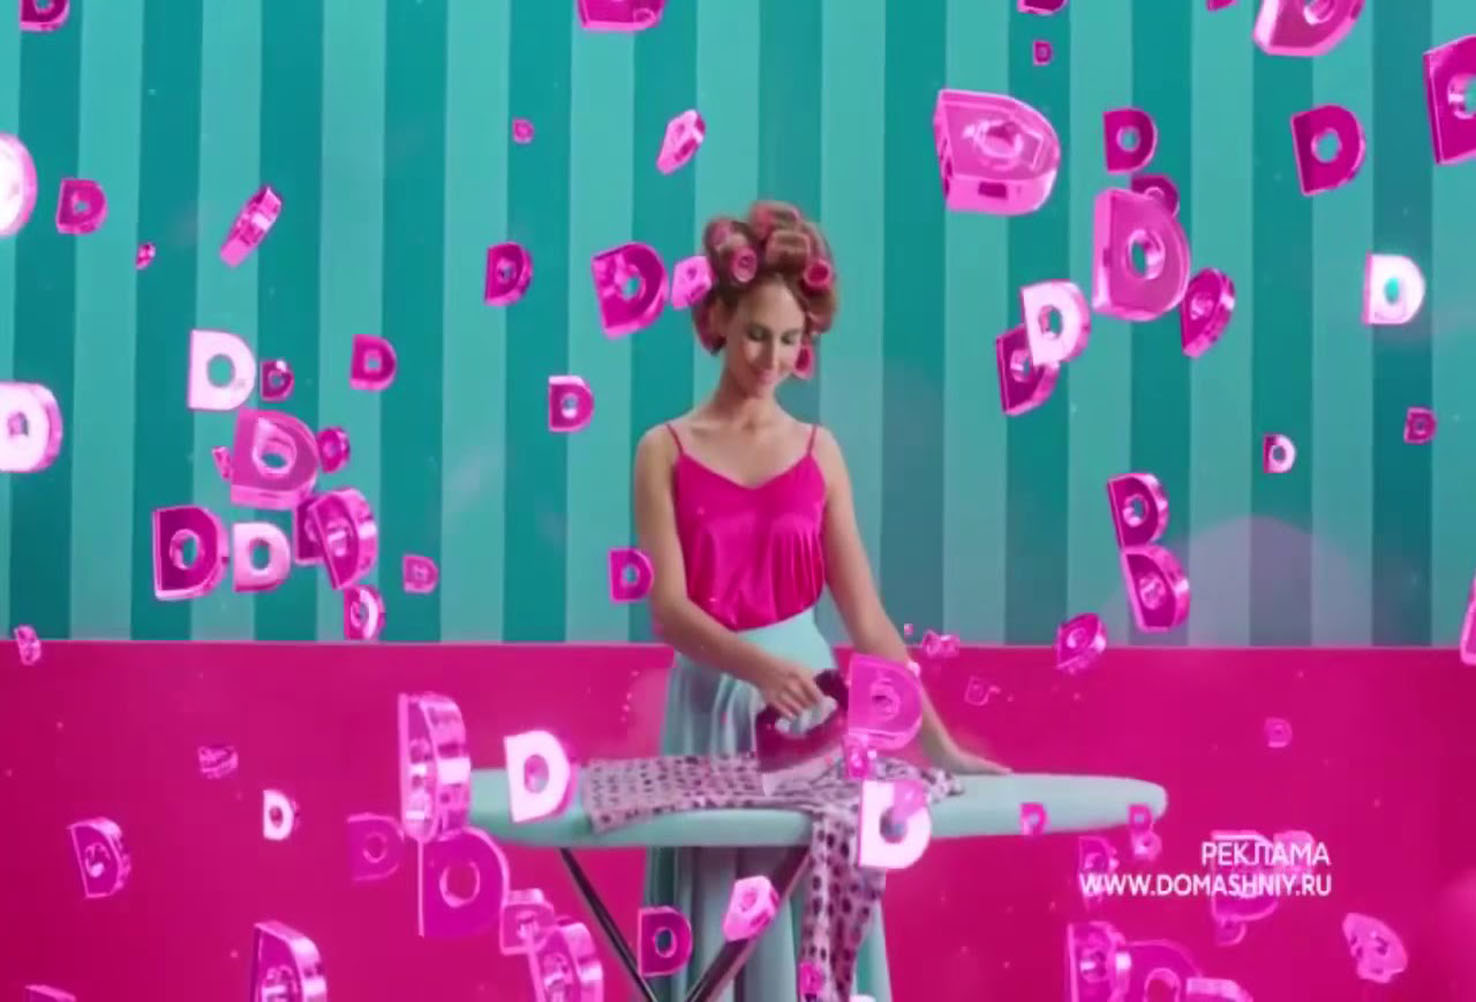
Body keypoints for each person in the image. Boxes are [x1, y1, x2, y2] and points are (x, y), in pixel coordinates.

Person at [633, 200, 1008, 1002]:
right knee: (719, 925)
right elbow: (668, 608)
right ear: (718, 319)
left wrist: (938, 746)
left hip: (814, 716)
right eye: (756, 333)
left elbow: (868, 621)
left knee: (811, 915)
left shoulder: (819, 452)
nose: (772, 357)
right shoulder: (662, 450)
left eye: (789, 339)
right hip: (712, 708)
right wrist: (759, 670)